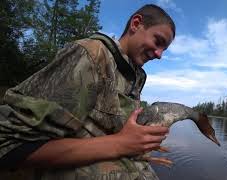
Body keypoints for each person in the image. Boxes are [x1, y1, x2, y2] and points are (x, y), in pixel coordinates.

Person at [0, 4, 175, 180]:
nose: (160, 55)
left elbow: (103, 131)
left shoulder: (136, 76)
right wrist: (121, 144)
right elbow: (9, 145)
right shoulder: (91, 55)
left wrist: (139, 143)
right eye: (158, 41)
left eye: (164, 50)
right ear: (136, 24)